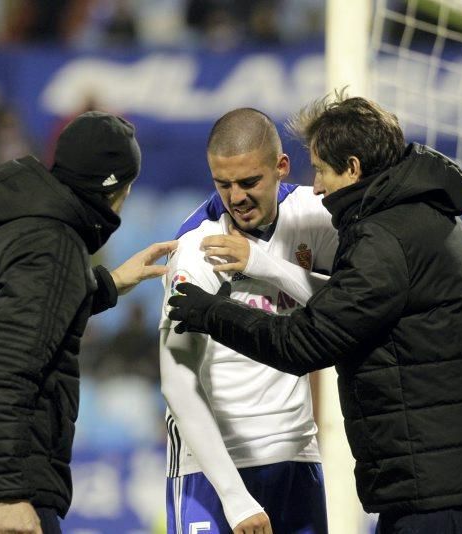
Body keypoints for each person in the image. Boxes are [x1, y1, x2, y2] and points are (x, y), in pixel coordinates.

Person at [168, 93, 462, 533]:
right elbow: (343, 306)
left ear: (352, 167)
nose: (316, 186)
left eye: (323, 170)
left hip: (433, 477)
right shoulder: (419, 215)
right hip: (437, 472)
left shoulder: (385, 237)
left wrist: (212, 312)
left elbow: (306, 342)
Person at [0, 111, 176, 534]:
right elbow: (8, 371)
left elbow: (36, 315)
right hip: (8, 483)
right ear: (114, 187)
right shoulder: (53, 242)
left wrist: (110, 283)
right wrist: (11, 495)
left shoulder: (15, 225)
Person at [160, 108, 338, 534]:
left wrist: (264, 265)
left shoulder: (315, 216)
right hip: (212, 470)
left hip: (296, 457)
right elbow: (176, 380)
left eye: (249, 182)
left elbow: (350, 309)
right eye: (223, 184)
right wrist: (236, 498)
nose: (235, 197)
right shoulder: (198, 247)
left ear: (282, 167)